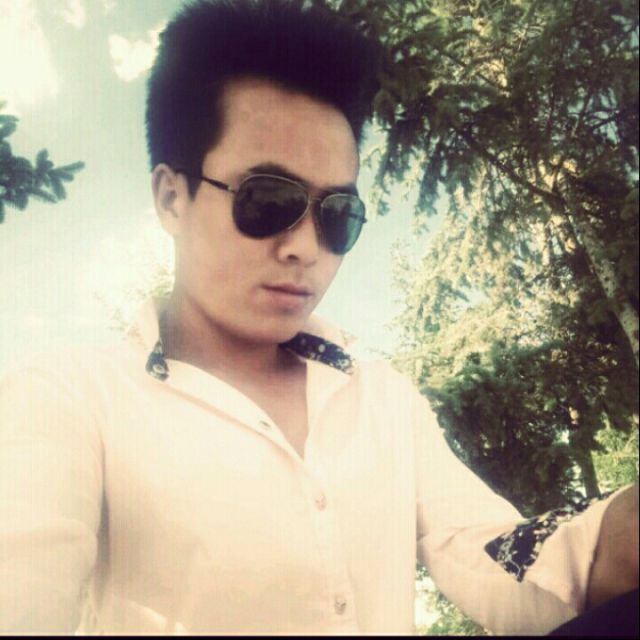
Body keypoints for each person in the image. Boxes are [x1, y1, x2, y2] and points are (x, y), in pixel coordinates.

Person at [0, 0, 637, 635]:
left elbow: (488, 552)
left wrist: (615, 538)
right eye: (268, 200)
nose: (305, 247)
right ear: (172, 197)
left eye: (337, 215)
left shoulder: (381, 398)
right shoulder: (72, 401)